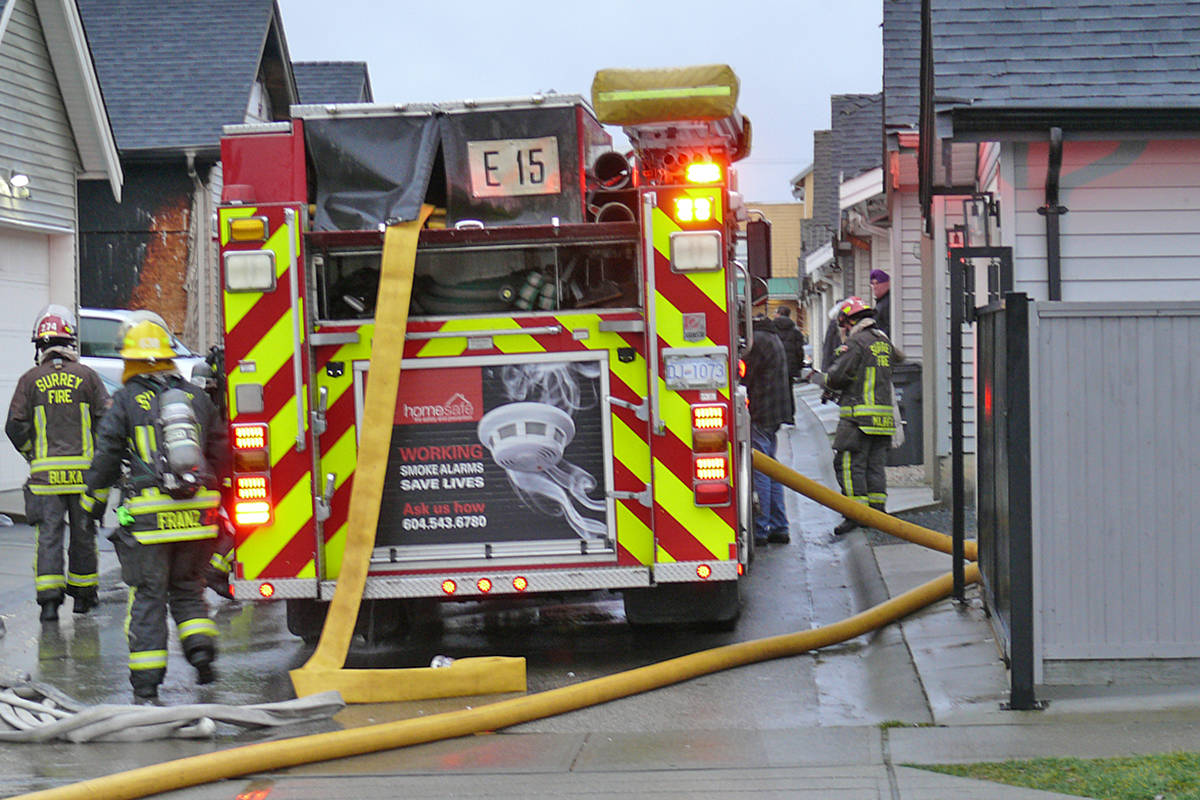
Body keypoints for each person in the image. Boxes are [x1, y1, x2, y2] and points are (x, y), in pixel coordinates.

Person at [82, 312, 229, 705]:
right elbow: (220, 450)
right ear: (167, 356)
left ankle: (147, 686)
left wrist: (90, 503)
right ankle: (202, 656)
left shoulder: (126, 400)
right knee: (187, 589)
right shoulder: (196, 397)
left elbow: (108, 456)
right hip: (198, 516)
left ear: (129, 360)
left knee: (148, 597)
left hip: (150, 523)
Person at [5, 305, 110, 623]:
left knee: (48, 537)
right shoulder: (88, 378)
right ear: (70, 343)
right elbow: (106, 423)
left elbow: (14, 426)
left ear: (40, 345)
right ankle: (82, 598)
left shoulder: (30, 380)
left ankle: (49, 605)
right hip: (82, 478)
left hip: (45, 479)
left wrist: (32, 453)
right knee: (83, 535)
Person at [808, 296, 903, 536]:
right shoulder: (884, 341)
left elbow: (836, 377)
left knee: (849, 466)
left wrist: (816, 378)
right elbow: (895, 361)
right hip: (883, 418)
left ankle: (856, 514)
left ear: (850, 321)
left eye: (844, 326)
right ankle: (877, 512)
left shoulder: (856, 343)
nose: (843, 331)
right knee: (874, 466)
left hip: (858, 419)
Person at [743, 314, 794, 545]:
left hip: (760, 412)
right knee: (771, 469)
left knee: (761, 471)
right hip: (774, 413)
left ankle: (761, 528)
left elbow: (746, 377)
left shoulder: (757, 341)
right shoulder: (773, 338)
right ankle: (779, 525)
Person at [771, 306, 806, 382]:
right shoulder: (795, 330)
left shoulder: (771, 329)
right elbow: (799, 350)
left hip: (775, 366)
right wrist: (799, 365)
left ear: (778, 314)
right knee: (789, 387)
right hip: (791, 366)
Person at [870, 269, 892, 338]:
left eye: (877, 283)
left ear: (887, 284)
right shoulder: (880, 302)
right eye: (872, 284)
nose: (874, 287)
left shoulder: (888, 303)